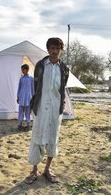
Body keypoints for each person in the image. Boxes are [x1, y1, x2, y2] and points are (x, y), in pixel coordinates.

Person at [25, 37, 69, 184]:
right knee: (37, 137)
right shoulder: (40, 65)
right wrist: (33, 103)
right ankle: (34, 170)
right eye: (52, 48)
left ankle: (47, 169)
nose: (55, 51)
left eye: (58, 49)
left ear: (61, 50)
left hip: (56, 109)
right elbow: (36, 87)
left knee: (52, 137)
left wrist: (61, 104)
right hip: (41, 107)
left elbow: (62, 89)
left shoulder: (64, 69)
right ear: (48, 49)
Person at [17, 64, 34, 131]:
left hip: (28, 98)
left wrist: (33, 97)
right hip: (21, 97)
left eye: (23, 70)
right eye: (22, 70)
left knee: (28, 112)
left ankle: (28, 125)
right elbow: (19, 88)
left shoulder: (31, 79)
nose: (22, 71)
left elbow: (33, 88)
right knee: (21, 111)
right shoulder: (21, 79)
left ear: (27, 70)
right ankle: (20, 124)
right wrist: (18, 97)